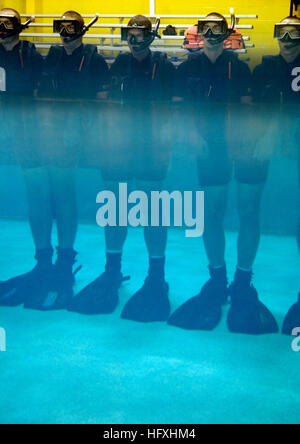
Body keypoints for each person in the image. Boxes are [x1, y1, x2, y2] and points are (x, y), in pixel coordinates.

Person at [168, 12, 278, 335]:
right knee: (211, 213)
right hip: (209, 149)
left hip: (243, 147)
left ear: (226, 33)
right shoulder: (187, 69)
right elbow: (179, 111)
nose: (213, 35)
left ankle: (242, 280)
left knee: (248, 210)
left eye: (219, 29)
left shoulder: (241, 68)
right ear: (200, 33)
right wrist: (189, 133)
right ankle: (218, 278)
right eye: (207, 29)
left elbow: (247, 110)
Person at [0, 10, 110, 311]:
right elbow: (39, 95)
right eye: (59, 27)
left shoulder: (41, 57)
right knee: (37, 195)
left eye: (70, 26)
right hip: (35, 134)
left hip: (66, 136)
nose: (64, 32)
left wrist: (84, 134)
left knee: (62, 194)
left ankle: (63, 261)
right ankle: (43, 262)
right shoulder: (48, 57)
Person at [68, 15, 175, 323]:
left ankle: (156, 276)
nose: (135, 39)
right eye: (131, 33)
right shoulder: (117, 66)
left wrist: (163, 149)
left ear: (151, 36)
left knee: (153, 212)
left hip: (151, 150)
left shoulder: (165, 67)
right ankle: (112, 271)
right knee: (115, 210)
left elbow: (171, 115)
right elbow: (106, 109)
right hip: (119, 148)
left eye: (141, 34)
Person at [254, 15, 300, 335]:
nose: (285, 38)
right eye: (280, 32)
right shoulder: (264, 69)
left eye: (293, 32)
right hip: (270, 156)